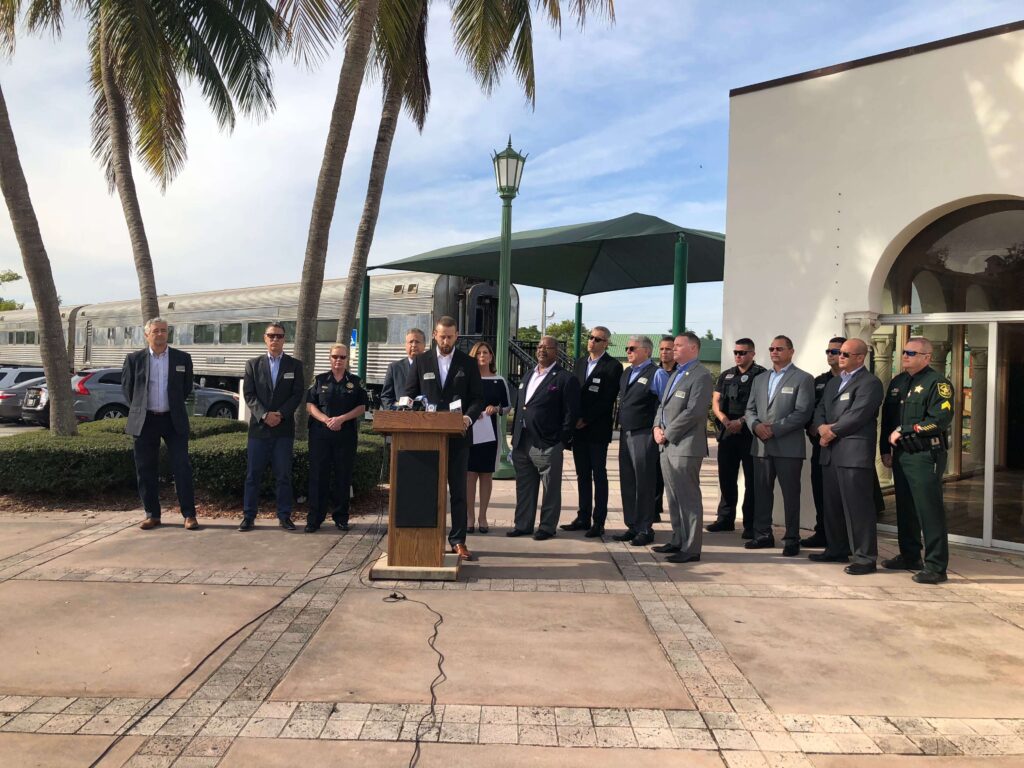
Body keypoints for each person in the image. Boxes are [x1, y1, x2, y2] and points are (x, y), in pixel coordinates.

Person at [403, 316, 483, 561]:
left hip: (458, 437)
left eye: (450, 336)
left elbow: (477, 398)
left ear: (457, 335)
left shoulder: (468, 363)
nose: (446, 341)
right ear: (434, 335)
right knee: (428, 489)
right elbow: (410, 394)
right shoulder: (421, 361)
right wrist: (406, 411)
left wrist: (468, 418)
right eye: (442, 336)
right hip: (427, 438)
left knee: (458, 491)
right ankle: (428, 538)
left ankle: (458, 540)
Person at [880, 337, 955, 584]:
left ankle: (936, 566)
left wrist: (907, 429)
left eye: (912, 353)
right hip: (901, 454)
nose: (905, 356)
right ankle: (910, 556)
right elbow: (887, 420)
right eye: (904, 352)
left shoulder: (938, 383)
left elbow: (940, 420)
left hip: (924, 455)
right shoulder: (898, 382)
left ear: (927, 357)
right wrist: (885, 450)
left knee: (929, 511)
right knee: (905, 508)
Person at [810, 338, 884, 575]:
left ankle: (865, 557)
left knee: (858, 508)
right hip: (830, 453)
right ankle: (837, 548)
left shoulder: (870, 383)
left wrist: (830, 432)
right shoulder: (834, 383)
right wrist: (821, 428)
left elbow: (858, 414)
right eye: (838, 353)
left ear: (860, 358)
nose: (839, 357)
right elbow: (820, 409)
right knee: (832, 506)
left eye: (844, 354)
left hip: (853, 454)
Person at [122, 317, 198, 531]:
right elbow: (128, 389)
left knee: (182, 467)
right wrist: (141, 407)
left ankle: (189, 515)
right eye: (156, 331)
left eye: (164, 330)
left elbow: (186, 388)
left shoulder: (182, 358)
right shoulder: (134, 359)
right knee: (146, 469)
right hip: (145, 421)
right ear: (147, 334)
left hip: (173, 420)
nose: (160, 334)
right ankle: (152, 515)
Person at [744, 335, 815, 555]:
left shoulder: (803, 378)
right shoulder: (760, 379)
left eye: (779, 348)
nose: (774, 352)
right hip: (761, 445)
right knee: (761, 492)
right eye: (772, 348)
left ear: (791, 352)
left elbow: (802, 412)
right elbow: (749, 409)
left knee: (790, 494)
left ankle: (792, 538)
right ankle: (763, 535)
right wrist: (755, 426)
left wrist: (774, 429)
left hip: (788, 447)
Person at [508, 336, 580, 540]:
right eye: (539, 346)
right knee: (524, 486)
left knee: (550, 489)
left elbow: (571, 413)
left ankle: (547, 527)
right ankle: (523, 525)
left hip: (547, 442)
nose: (541, 350)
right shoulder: (528, 374)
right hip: (523, 440)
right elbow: (521, 406)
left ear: (556, 351)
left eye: (546, 347)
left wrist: (561, 440)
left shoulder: (565, 378)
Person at [652, 332, 714, 563]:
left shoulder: (701, 375)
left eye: (678, 345)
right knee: (673, 497)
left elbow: (694, 411)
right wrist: (656, 427)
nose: (673, 348)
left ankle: (691, 548)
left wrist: (668, 433)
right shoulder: (676, 373)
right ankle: (678, 539)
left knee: (688, 498)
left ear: (693, 348)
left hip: (685, 446)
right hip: (667, 445)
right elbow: (663, 406)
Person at [239, 323, 305, 532]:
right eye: (271, 335)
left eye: (279, 336)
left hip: (283, 430)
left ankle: (284, 516)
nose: (275, 339)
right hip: (259, 430)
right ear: (265, 338)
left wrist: (281, 414)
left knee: (283, 475)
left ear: (285, 339)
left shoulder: (294, 365)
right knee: (253, 476)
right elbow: (249, 394)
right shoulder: (253, 364)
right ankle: (248, 516)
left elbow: (297, 394)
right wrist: (264, 415)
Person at [561, 326, 622, 537]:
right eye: (590, 337)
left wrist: (585, 419)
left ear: (606, 343)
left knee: (599, 474)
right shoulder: (580, 363)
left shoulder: (613, 366)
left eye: (597, 339)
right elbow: (572, 394)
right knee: (582, 474)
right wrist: (573, 420)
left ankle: (599, 521)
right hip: (578, 430)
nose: (592, 341)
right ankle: (583, 517)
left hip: (597, 429)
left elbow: (607, 399)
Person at [304, 344, 368, 533]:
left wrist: (341, 419)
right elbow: (310, 405)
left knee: (343, 476)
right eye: (335, 357)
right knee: (318, 476)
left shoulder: (356, 381)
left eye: (342, 357)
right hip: (320, 434)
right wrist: (326, 420)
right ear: (329, 358)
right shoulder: (319, 380)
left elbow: (362, 407)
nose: (338, 360)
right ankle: (314, 519)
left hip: (345, 434)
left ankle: (341, 518)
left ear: (347, 359)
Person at [708, 338, 765, 537]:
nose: (738, 356)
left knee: (751, 480)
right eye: (736, 352)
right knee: (726, 477)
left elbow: (761, 404)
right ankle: (725, 519)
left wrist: (741, 421)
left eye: (743, 352)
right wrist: (725, 421)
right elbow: (716, 401)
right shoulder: (726, 375)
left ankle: (750, 524)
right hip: (728, 433)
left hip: (749, 433)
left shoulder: (761, 375)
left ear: (752, 354)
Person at [614, 335, 669, 546]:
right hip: (626, 432)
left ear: (646, 351)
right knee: (628, 481)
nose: (628, 351)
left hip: (644, 433)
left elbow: (665, 404)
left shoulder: (657, 373)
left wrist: (659, 429)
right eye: (627, 348)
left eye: (632, 348)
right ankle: (632, 525)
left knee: (644, 481)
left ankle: (645, 528)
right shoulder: (627, 372)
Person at [801, 337, 846, 548]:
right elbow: (810, 409)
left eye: (835, 351)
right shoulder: (819, 381)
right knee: (820, 490)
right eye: (828, 351)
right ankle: (822, 532)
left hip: (843, 445)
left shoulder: (854, 381)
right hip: (820, 445)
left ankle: (842, 537)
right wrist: (815, 428)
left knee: (842, 495)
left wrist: (832, 431)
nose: (830, 355)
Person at [467, 341, 510, 534]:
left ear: (491, 356)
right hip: (469, 432)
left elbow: (507, 406)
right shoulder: (467, 379)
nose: (482, 356)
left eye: (485, 352)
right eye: (478, 353)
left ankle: (482, 516)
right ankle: (470, 517)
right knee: (470, 475)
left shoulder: (499, 381)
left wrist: (497, 409)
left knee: (486, 475)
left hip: (490, 434)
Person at [653, 335, 677, 523]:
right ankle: (654, 509)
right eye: (661, 349)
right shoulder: (654, 372)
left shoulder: (682, 374)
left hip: (676, 432)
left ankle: (679, 514)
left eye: (668, 349)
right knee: (654, 473)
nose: (664, 352)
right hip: (656, 431)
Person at [380, 329, 425, 409]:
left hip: (426, 415)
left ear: (424, 345)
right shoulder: (394, 368)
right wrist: (397, 409)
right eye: (410, 342)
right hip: (401, 414)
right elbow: (386, 398)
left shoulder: (432, 367)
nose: (414, 345)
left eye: (417, 342)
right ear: (405, 345)